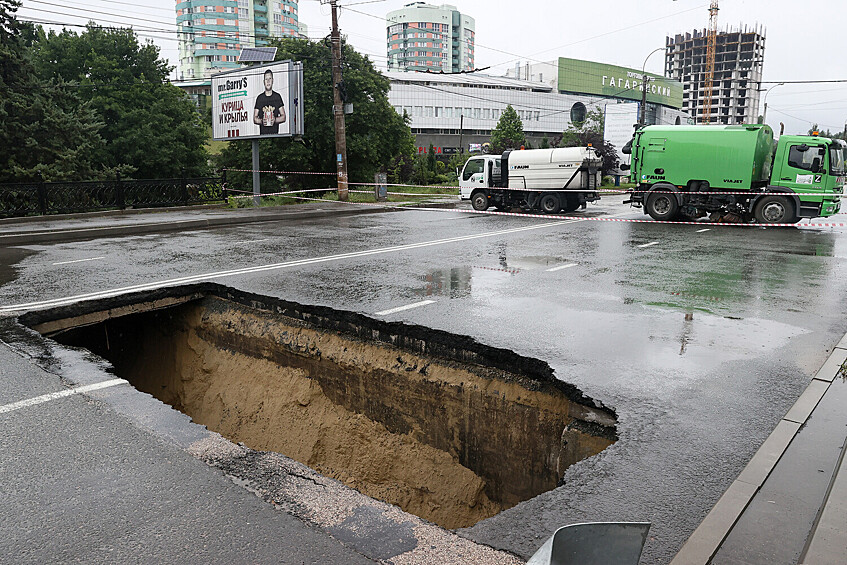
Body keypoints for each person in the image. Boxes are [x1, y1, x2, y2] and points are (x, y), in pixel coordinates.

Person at [253, 69, 286, 135]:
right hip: (262, 137)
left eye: (270, 79)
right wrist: (262, 121)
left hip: (275, 136)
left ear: (273, 80)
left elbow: (283, 117)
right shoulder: (260, 98)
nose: (268, 81)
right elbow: (255, 118)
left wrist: (275, 120)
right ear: (263, 82)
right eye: (266, 79)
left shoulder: (277, 97)